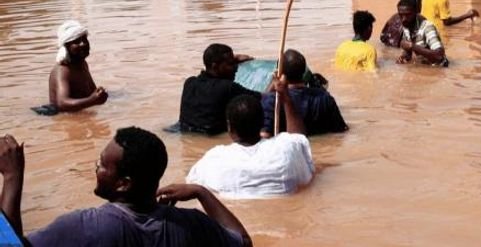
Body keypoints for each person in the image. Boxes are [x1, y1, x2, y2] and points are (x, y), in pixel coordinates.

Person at [0, 128, 252, 246]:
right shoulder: (192, 224)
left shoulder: (86, 227)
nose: (95, 168)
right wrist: (200, 191)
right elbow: (243, 242)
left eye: (101, 165)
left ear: (123, 184)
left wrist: (12, 178)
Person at [186, 80, 314, 199]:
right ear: (262, 123)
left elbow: (192, 182)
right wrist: (285, 97)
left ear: (229, 127)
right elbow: (300, 139)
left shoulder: (214, 158)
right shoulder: (285, 148)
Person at [261, 49, 348, 137]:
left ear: (281, 73)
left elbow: (264, 136)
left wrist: (271, 87)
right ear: (304, 72)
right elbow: (341, 130)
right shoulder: (324, 97)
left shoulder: (273, 101)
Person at [178, 43, 256, 135]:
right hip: (212, 136)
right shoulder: (227, 87)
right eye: (230, 64)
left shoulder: (189, 83)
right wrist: (273, 83)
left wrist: (233, 60)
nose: (236, 69)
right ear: (215, 66)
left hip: (183, 132)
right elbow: (263, 98)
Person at [48, 20, 108, 112]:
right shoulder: (62, 70)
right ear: (67, 47)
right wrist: (92, 101)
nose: (83, 44)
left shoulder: (82, 63)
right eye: (76, 41)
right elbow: (62, 103)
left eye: (85, 39)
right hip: (64, 119)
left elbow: (92, 92)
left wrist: (100, 95)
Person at [397, 0, 448, 67]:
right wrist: (404, 57)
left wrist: (412, 46)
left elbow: (439, 55)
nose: (403, 19)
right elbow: (408, 52)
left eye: (408, 15)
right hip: (425, 67)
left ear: (416, 12)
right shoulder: (407, 25)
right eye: (400, 15)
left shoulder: (427, 27)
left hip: (439, 68)